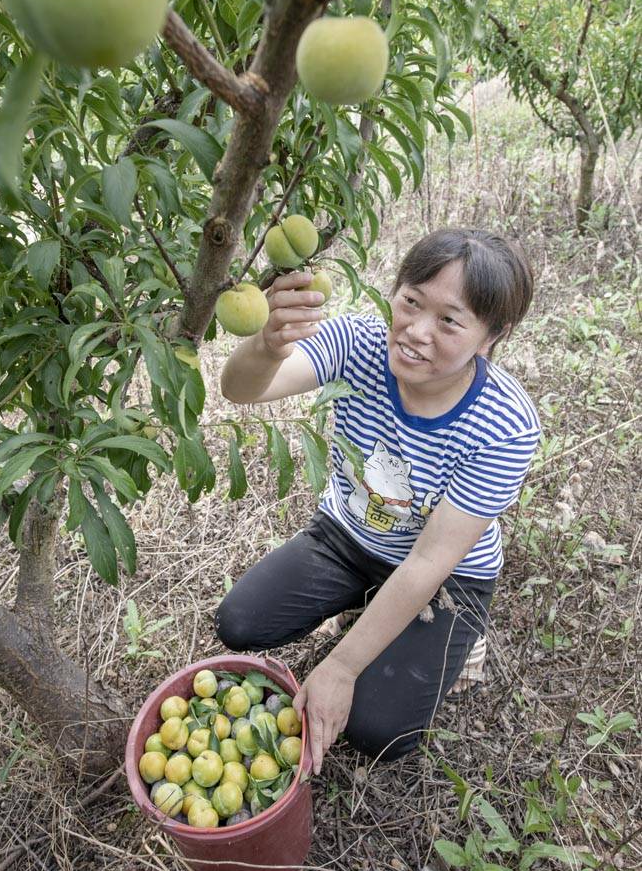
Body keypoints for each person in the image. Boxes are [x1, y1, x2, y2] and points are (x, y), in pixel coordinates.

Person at [215, 228, 540, 776]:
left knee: (378, 732)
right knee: (240, 624)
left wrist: (340, 667)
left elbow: (429, 562)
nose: (415, 332)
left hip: (446, 576)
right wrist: (266, 344)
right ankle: (366, 603)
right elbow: (242, 390)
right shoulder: (359, 344)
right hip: (349, 536)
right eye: (410, 302)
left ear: (492, 335)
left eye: (450, 321)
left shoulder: (505, 425)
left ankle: (460, 636)